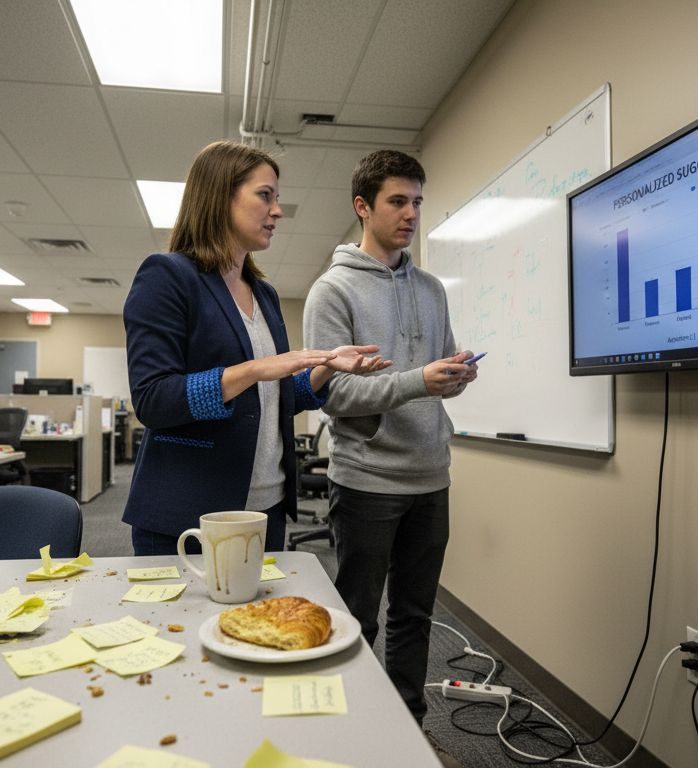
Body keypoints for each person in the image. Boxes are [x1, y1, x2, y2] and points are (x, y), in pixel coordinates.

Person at [122, 140, 391, 556]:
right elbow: (153, 400)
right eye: (265, 196)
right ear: (219, 196)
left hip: (265, 508)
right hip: (188, 513)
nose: (277, 210)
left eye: (277, 198)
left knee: (259, 623)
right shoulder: (168, 276)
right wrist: (252, 369)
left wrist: (326, 368)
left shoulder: (263, 293)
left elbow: (274, 397)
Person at [302, 149, 479, 723]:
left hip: (432, 475)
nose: (411, 214)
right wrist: (417, 381)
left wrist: (451, 378)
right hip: (367, 481)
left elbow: (431, 378)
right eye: (398, 201)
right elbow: (334, 396)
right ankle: (346, 735)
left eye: (418, 202)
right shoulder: (332, 291)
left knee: (414, 617)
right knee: (356, 617)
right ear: (363, 207)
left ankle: (409, 733)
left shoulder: (431, 287)